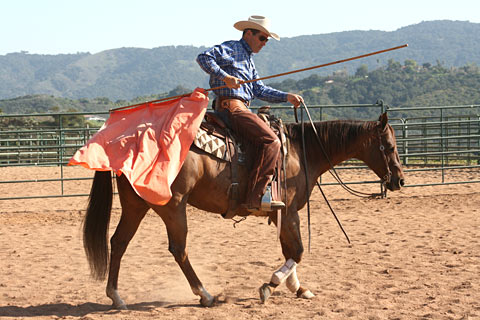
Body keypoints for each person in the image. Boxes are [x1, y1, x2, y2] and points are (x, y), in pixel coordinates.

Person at [196, 15, 304, 211]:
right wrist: (225, 77)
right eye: (262, 38)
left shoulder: (249, 61)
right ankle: (258, 195)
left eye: (266, 40)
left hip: (241, 107)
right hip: (233, 108)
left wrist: (287, 96)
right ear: (248, 33)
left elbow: (259, 90)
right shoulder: (232, 48)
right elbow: (203, 58)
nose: (264, 43)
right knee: (272, 142)